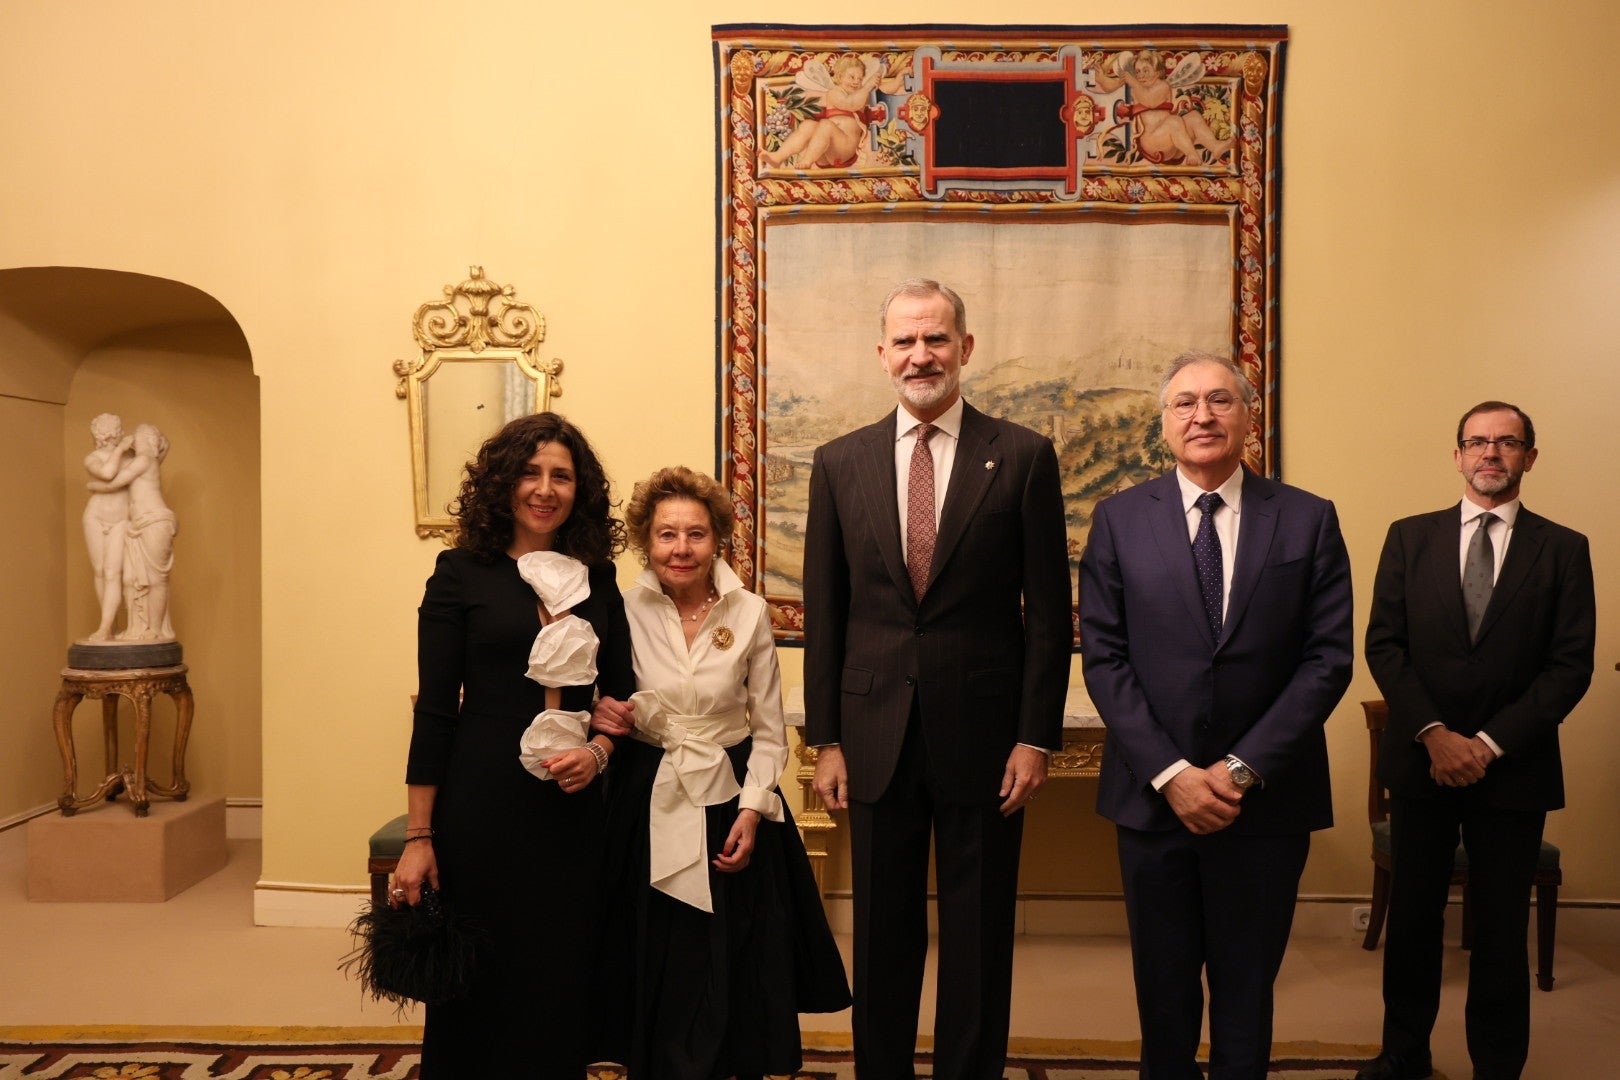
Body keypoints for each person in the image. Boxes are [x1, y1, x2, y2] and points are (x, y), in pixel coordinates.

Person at [803, 278, 1072, 1079]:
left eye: (936, 339)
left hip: (987, 740)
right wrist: (826, 740)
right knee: (881, 936)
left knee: (979, 936)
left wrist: (1035, 737)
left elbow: (1049, 614)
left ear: (965, 348)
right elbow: (826, 612)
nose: (921, 355)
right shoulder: (839, 462)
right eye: (906, 341)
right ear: (882, 353)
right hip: (873, 737)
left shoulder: (1022, 456)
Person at [1079, 351, 1353, 1080]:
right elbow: (1104, 658)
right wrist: (1173, 773)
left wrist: (1238, 771)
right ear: (1164, 423)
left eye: (1220, 400)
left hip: (1264, 803)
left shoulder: (1308, 518)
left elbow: (1327, 660)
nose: (1202, 415)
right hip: (1153, 800)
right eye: (1184, 403)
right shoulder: (1118, 520)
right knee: (1162, 992)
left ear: (1248, 417)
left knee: (1246, 992)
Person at [391, 412, 634, 1078]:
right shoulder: (459, 573)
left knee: (559, 974)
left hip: (571, 807)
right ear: (502, 482)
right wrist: (419, 836)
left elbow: (620, 700)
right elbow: (434, 712)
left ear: (580, 489)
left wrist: (599, 753)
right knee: (477, 978)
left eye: (562, 475)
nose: (545, 489)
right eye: (530, 472)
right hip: (481, 801)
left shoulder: (600, 578)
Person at [1356, 402, 1594, 1080]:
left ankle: (1497, 1065)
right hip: (1421, 764)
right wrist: (1435, 735)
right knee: (1413, 923)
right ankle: (1404, 1055)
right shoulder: (1410, 537)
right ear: (1458, 455)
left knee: (1498, 930)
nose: (1491, 453)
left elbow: (1569, 666)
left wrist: (1487, 744)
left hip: (1514, 771)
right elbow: (1385, 645)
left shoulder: (1564, 548)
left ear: (1529, 458)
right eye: (1478, 442)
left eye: (1507, 442)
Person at [591, 465, 849, 1079]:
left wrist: (753, 811)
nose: (681, 549)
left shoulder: (750, 612)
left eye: (696, 534)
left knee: (727, 946)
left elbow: (769, 729)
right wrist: (599, 709)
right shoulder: (620, 609)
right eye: (666, 534)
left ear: (717, 539)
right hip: (646, 788)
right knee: (653, 943)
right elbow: (596, 694)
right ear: (646, 541)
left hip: (728, 792)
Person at [85, 422, 178, 642]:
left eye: (136, 435)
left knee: (154, 579)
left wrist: (92, 487)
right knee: (130, 578)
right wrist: (156, 442)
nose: (130, 437)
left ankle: (154, 629)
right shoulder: (142, 460)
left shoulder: (142, 460)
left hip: (150, 520)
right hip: (135, 525)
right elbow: (165, 445)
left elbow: (112, 482)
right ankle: (135, 628)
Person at [81, 413, 133, 641]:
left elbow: (157, 455)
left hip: (121, 519)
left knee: (113, 573)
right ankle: (110, 627)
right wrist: (120, 450)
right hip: (95, 516)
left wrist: (95, 487)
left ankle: (104, 628)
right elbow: (108, 473)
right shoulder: (93, 458)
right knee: (100, 572)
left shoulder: (132, 457)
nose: (113, 435)